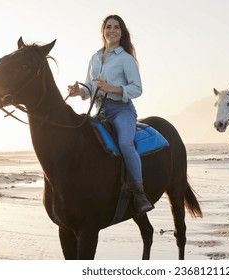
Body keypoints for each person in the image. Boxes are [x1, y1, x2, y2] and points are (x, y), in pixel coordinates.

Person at [67, 15, 154, 214]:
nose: (112, 30)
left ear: (121, 32)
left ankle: (139, 191)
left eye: (116, 27)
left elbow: (137, 89)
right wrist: (78, 91)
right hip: (99, 110)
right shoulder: (94, 58)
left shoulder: (126, 59)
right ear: (103, 30)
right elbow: (90, 87)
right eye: (108, 27)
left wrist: (112, 88)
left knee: (124, 143)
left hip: (121, 110)